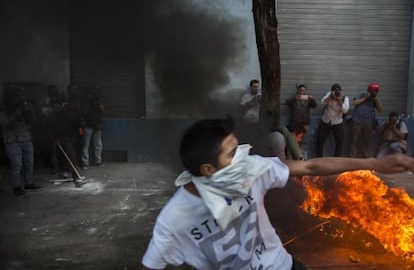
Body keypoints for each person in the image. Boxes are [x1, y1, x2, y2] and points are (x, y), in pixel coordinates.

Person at [140, 117, 414, 270]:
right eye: (232, 153)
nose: (243, 156)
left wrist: (374, 164)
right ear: (208, 169)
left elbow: (311, 164)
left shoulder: (251, 170)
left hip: (284, 266)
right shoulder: (174, 219)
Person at [0, 85, 41, 195]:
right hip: (12, 141)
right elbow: (5, 125)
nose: (17, 99)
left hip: (26, 139)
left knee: (29, 163)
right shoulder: (3, 111)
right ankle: (16, 187)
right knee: (17, 165)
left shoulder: (23, 108)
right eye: (15, 97)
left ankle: (29, 183)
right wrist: (15, 116)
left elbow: (33, 121)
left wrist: (30, 111)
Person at [52, 91, 85, 187]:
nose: (79, 104)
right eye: (77, 103)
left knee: (72, 157)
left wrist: (81, 126)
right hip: (64, 138)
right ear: (72, 102)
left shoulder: (77, 112)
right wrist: (56, 138)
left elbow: (79, 125)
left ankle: (65, 171)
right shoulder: (63, 112)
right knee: (71, 157)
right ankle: (76, 178)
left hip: (73, 137)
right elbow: (55, 126)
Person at [349, 82, 383, 158]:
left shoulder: (375, 99)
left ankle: (365, 157)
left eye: (375, 91)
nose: (372, 93)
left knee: (367, 141)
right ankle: (352, 157)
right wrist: (365, 98)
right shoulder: (362, 94)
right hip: (357, 121)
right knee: (353, 140)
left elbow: (380, 110)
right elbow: (354, 102)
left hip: (368, 122)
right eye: (371, 91)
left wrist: (376, 101)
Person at [316, 83, 350, 157]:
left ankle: (336, 159)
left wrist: (339, 101)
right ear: (331, 91)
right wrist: (330, 98)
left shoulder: (344, 98)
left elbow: (345, 110)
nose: (336, 93)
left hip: (337, 122)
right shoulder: (329, 95)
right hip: (326, 121)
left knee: (339, 142)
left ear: (340, 91)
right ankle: (319, 158)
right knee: (320, 141)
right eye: (334, 91)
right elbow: (322, 103)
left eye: (338, 91)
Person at [285, 84, 317, 159]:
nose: (302, 92)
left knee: (305, 141)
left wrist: (312, 99)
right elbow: (287, 103)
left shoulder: (307, 99)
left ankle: (304, 156)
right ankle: (294, 156)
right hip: (295, 124)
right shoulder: (294, 98)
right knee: (294, 141)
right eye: (300, 90)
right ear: (298, 90)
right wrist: (295, 98)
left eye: (303, 91)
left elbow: (314, 106)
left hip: (305, 123)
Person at [40, 84, 66, 174]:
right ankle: (55, 167)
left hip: (61, 128)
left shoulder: (61, 100)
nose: (54, 94)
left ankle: (63, 167)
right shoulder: (46, 102)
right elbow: (45, 115)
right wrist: (53, 110)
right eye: (52, 92)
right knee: (53, 149)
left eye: (55, 91)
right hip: (51, 127)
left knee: (63, 149)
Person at [81, 86, 104, 169]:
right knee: (86, 145)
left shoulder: (99, 103)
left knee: (97, 144)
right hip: (89, 125)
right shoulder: (87, 103)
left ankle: (97, 161)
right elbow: (84, 113)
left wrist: (99, 123)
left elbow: (102, 112)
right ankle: (85, 163)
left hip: (96, 125)